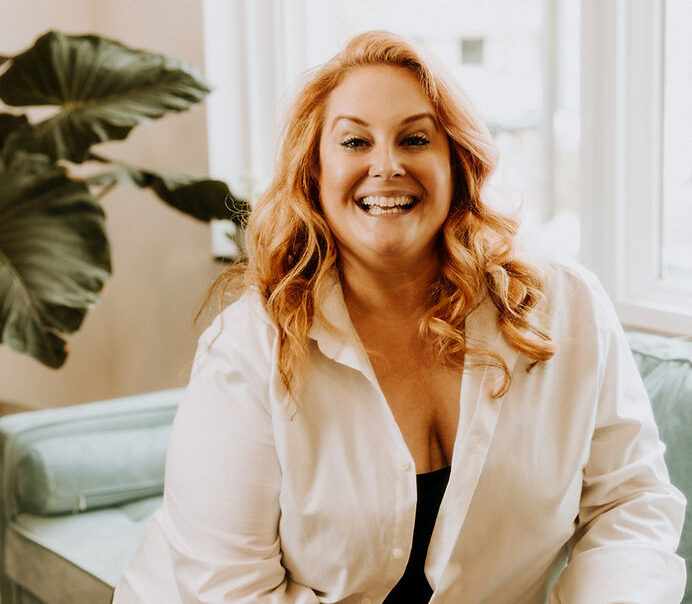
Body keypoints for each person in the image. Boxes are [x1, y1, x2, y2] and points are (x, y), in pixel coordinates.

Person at [114, 31, 686, 604]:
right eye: (355, 142)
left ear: (457, 162)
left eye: (414, 139)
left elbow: (629, 502)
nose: (385, 166)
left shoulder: (567, 308)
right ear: (314, 172)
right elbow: (229, 588)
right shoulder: (248, 346)